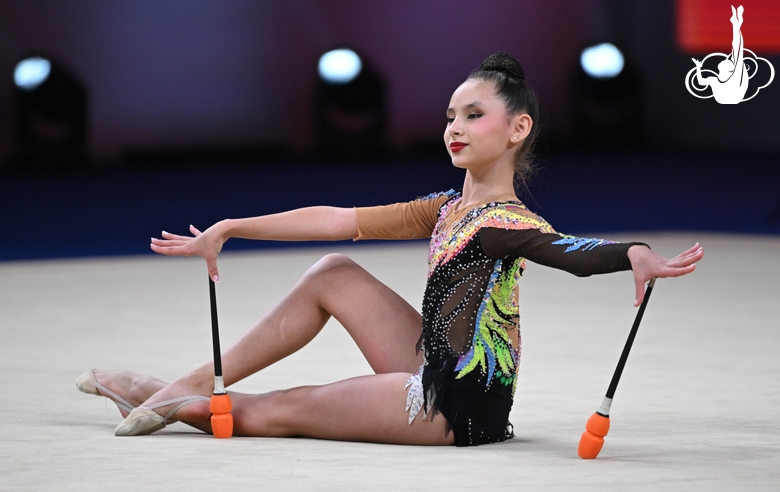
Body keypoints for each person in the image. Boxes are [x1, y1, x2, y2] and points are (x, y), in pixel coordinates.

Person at [76, 53, 703, 446]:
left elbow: (561, 246)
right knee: (335, 270)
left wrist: (632, 253)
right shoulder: (448, 208)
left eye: (474, 114)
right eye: (450, 114)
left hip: (451, 406)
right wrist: (234, 225)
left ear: (518, 128)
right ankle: (180, 386)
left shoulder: (504, 220)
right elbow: (336, 220)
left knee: (274, 413)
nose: (453, 127)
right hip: (432, 359)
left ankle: (150, 390)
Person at [692, 5, 748, 104]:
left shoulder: (729, 78)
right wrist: (698, 67)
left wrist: (698, 68)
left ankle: (736, 23)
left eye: (727, 61)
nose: (725, 59)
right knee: (737, 52)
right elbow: (701, 82)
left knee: (737, 51)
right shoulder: (718, 79)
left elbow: (737, 49)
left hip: (731, 97)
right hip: (729, 98)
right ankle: (736, 23)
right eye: (729, 61)